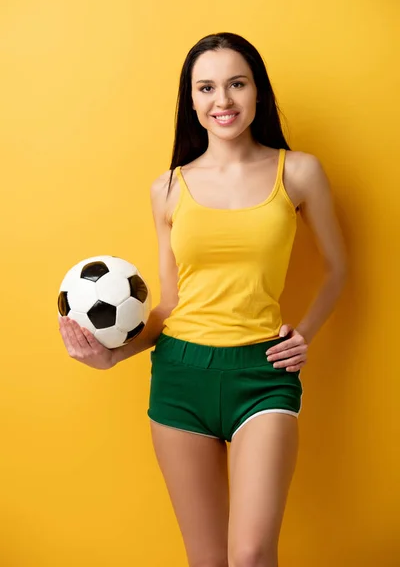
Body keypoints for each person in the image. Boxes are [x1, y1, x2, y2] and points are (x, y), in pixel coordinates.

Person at [59, 32, 347, 567]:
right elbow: (169, 305)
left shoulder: (299, 172)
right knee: (207, 561)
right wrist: (112, 354)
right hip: (180, 378)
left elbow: (337, 268)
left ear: (257, 91)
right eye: (207, 87)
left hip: (261, 374)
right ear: (190, 101)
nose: (223, 101)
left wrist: (306, 330)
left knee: (252, 555)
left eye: (237, 84)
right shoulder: (167, 188)